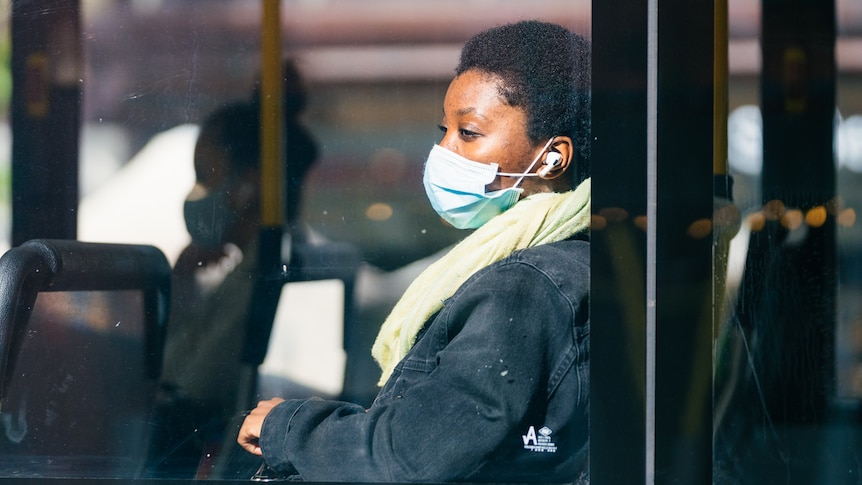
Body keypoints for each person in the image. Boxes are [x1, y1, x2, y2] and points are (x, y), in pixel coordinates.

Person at [237, 20, 591, 483]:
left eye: (468, 132)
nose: (441, 150)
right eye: (444, 130)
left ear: (552, 158)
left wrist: (288, 426)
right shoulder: (570, 263)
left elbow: (411, 457)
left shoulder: (524, 285)